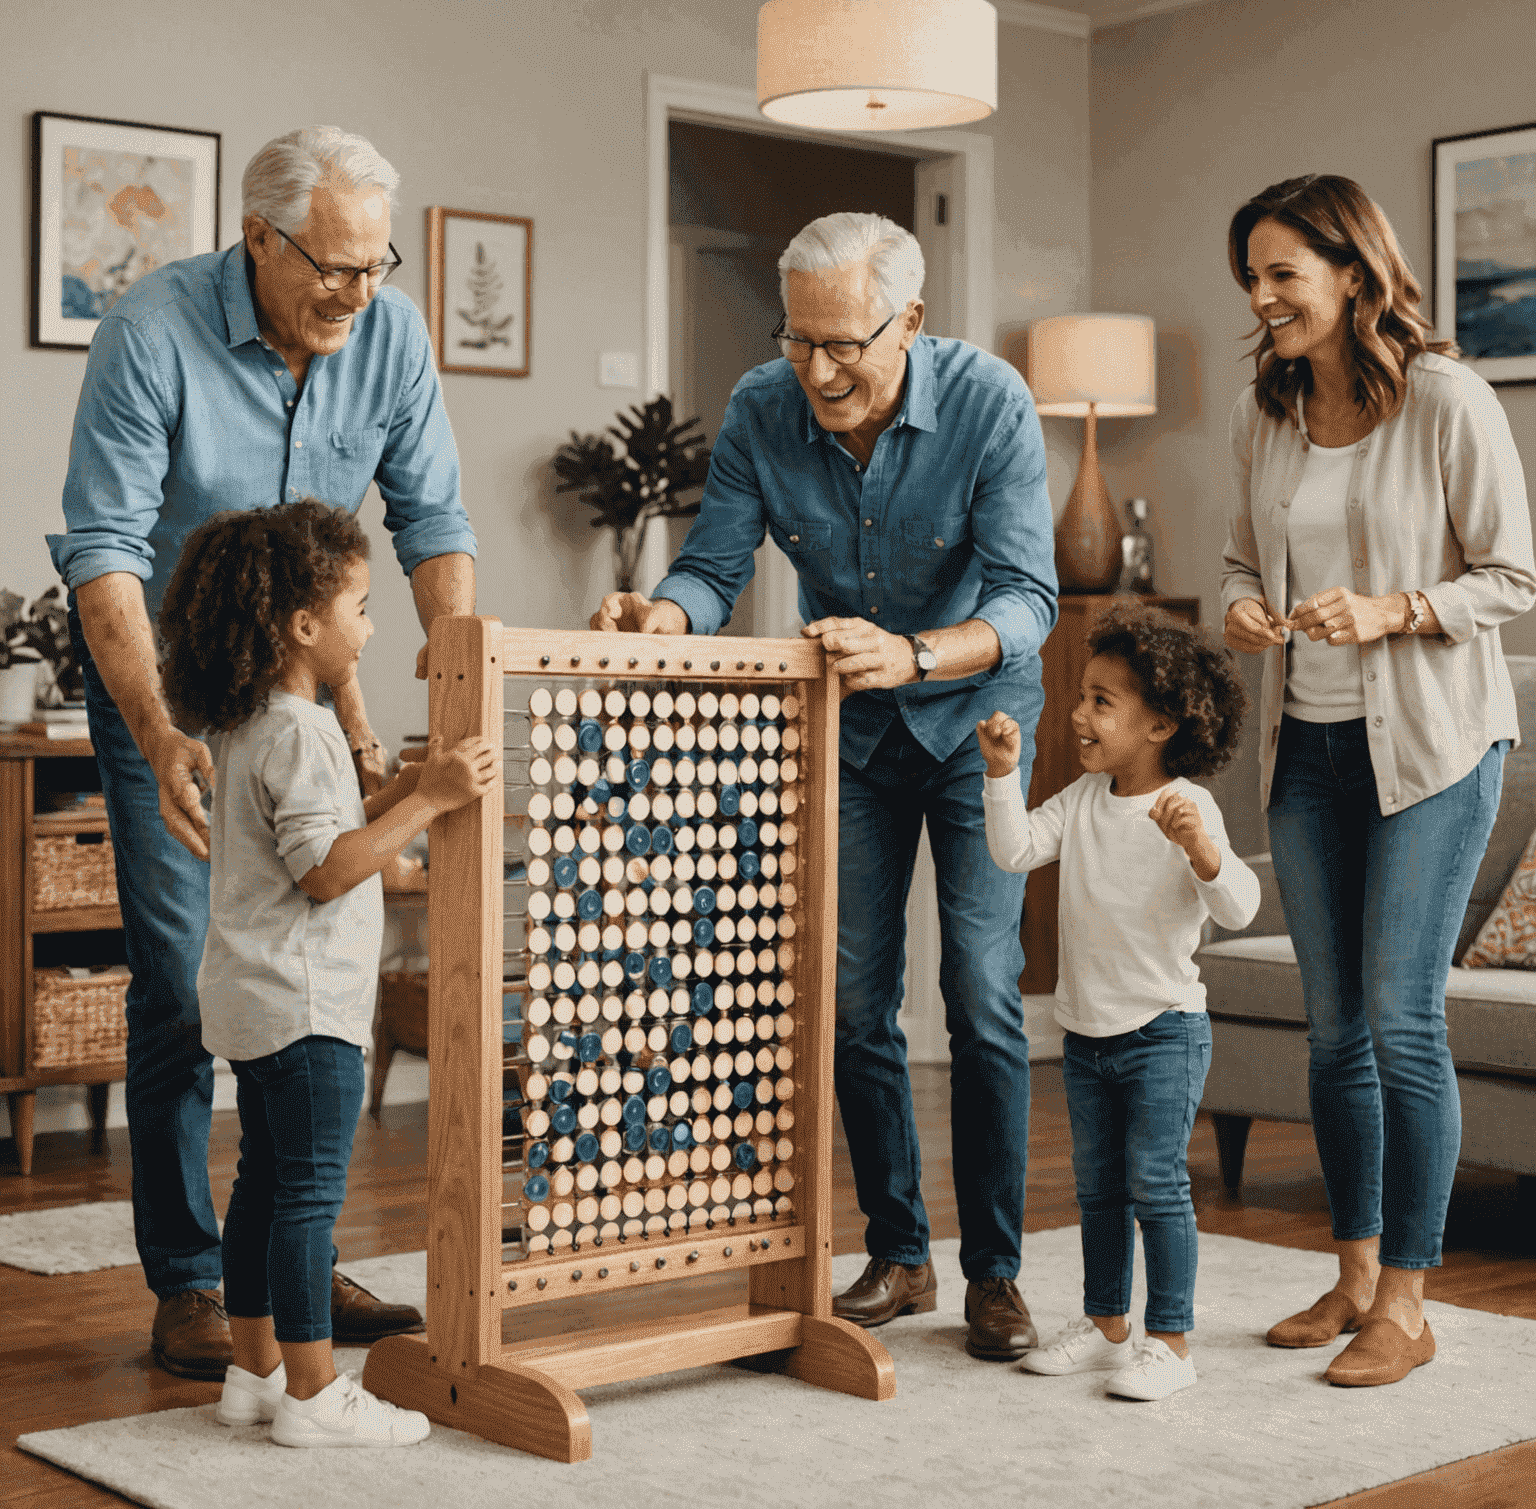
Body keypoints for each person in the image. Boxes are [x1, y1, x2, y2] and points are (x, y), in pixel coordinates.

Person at [46, 124, 479, 1377]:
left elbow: (434, 518)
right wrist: (155, 728)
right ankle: (187, 1276)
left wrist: (458, 687)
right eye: (329, 268)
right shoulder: (153, 327)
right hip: (171, 700)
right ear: (257, 237)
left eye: (373, 266)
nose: (355, 292)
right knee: (187, 983)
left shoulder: (388, 336)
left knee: (318, 992)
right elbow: (105, 549)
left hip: (305, 695)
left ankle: (289, 1258)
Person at [591, 212, 1057, 1361]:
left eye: (846, 343)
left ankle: (995, 1271)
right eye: (800, 341)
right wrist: (662, 615)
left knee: (984, 993)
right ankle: (899, 1252)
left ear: (910, 317)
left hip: (971, 722)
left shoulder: (992, 402)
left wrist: (920, 653)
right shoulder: (764, 404)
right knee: (850, 1002)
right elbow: (713, 564)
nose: (819, 370)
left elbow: (1028, 598)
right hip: (847, 732)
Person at [1223, 174, 1535, 1387]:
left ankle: (1409, 1297)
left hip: (1436, 748)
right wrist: (1249, 607)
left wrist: (1398, 609)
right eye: (1252, 275)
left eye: (1282, 272)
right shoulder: (1270, 407)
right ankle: (1352, 1275)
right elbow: (1244, 552)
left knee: (1403, 1017)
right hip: (1305, 742)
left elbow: (1513, 577)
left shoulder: (1448, 398)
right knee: (1334, 1026)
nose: (1262, 296)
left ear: (1352, 272)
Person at [157, 501, 497, 1445]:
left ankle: (255, 1371)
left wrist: (397, 790)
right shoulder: (305, 732)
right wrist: (428, 799)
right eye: (361, 603)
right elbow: (326, 869)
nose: (371, 624)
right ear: (303, 627)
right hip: (306, 1009)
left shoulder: (250, 723)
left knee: (262, 1187)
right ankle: (314, 1393)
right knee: (307, 1197)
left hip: (250, 994)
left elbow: (316, 832)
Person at [978, 605, 1258, 1400]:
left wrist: (1201, 853)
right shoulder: (1082, 798)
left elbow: (1238, 905)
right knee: (1098, 1188)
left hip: (1166, 1030)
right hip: (1087, 1035)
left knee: (1156, 1183)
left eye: (1103, 700)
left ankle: (1171, 1342)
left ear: (1162, 722)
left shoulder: (1189, 807)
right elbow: (1013, 850)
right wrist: (1003, 773)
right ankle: (1107, 1326)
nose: (1079, 714)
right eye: (1082, 696)